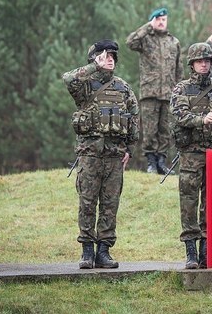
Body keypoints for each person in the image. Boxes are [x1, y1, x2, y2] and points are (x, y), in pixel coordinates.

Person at [62, 40, 139, 269]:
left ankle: (103, 251)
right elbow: (68, 78)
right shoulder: (85, 86)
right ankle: (87, 251)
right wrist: (94, 67)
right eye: (105, 55)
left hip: (115, 156)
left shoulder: (123, 88)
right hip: (90, 155)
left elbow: (133, 118)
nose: (110, 59)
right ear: (95, 59)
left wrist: (130, 150)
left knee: (109, 204)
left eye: (113, 56)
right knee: (87, 202)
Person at [170, 42, 212, 269]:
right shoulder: (181, 89)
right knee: (189, 201)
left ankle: (206, 251)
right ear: (192, 64)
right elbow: (180, 116)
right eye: (200, 61)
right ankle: (190, 250)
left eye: (207, 61)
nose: (204, 64)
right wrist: (202, 119)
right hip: (191, 153)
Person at [126, 7, 183, 175]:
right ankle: (151, 162)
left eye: (164, 19)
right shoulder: (145, 39)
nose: (161, 22)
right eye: (158, 19)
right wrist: (147, 27)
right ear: (152, 21)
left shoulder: (174, 42)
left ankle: (161, 162)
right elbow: (130, 42)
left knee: (165, 130)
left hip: (168, 93)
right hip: (150, 92)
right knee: (150, 130)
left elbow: (179, 69)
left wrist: (179, 92)